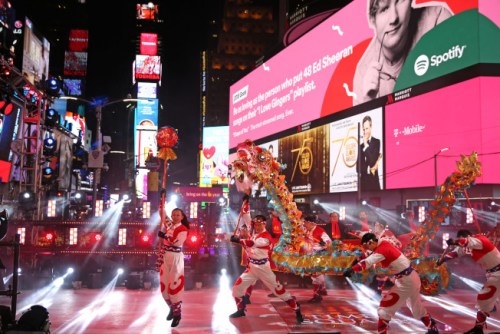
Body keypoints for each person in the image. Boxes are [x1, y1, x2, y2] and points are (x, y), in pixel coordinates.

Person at [353, 0, 452, 105]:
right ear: (373, 20)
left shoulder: (437, 21)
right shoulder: (363, 72)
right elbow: (365, 120)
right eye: (384, 9)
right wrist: (368, 101)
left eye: (400, 1)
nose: (394, 18)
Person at [344, 233, 439, 334]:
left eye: (367, 246)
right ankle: (432, 328)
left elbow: (368, 261)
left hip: (406, 281)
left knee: (385, 307)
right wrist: (358, 259)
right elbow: (369, 253)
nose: (368, 249)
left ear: (371, 242)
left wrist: (352, 269)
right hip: (412, 277)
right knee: (415, 307)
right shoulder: (383, 243)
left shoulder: (382, 249)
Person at [229, 214, 304, 323]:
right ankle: (241, 310)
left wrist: (238, 240)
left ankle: (296, 308)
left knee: (280, 292)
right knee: (237, 289)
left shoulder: (266, 238)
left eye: (259, 225)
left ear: (264, 224)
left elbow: (252, 243)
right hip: (251, 267)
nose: (257, 227)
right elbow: (246, 216)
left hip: (263, 268)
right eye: (255, 224)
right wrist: (246, 202)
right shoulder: (254, 232)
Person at [437, 229, 500, 334]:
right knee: (484, 300)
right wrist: (443, 259)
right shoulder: (469, 246)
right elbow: (456, 252)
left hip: (498, 273)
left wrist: (455, 241)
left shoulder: (478, 240)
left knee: (484, 299)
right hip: (494, 274)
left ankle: (478, 329)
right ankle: (478, 328)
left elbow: (465, 241)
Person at [156, 208, 190, 328]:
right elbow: (163, 214)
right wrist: (162, 200)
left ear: (182, 217)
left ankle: (177, 314)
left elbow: (176, 242)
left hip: (176, 258)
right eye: (173, 215)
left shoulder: (183, 229)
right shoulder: (170, 225)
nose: (175, 217)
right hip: (166, 256)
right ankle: (172, 308)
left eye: (178, 215)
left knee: (174, 286)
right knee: (164, 287)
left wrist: (165, 236)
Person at [302, 215, 332, 302]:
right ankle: (322, 289)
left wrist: (324, 244)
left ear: (311, 223)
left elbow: (329, 242)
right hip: (310, 255)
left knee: (316, 276)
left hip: (318, 255)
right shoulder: (306, 230)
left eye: (306, 222)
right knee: (316, 275)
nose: (304, 224)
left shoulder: (320, 231)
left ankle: (317, 295)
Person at [359, 116, 381, 191]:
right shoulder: (360, 146)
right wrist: (367, 168)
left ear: (371, 127)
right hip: (363, 185)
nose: (365, 132)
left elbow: (372, 161)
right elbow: (357, 167)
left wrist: (365, 144)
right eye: (363, 129)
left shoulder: (376, 142)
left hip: (373, 183)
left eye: (367, 128)